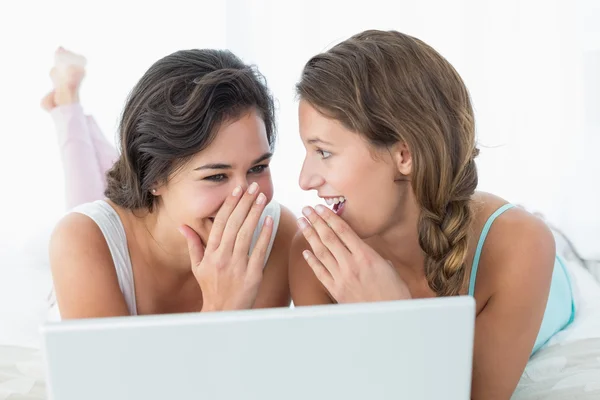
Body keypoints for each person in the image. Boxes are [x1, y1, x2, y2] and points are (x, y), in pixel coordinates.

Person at [289, 29, 575, 399]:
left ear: (404, 155)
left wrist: (397, 323)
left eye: (323, 152)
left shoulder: (520, 248)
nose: (303, 180)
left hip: (551, 283)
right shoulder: (313, 255)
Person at [44, 47, 297, 319]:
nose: (246, 197)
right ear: (153, 176)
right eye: (216, 176)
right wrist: (221, 309)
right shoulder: (80, 240)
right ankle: (67, 101)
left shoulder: (277, 233)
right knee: (83, 189)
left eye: (258, 167)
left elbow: (251, 361)